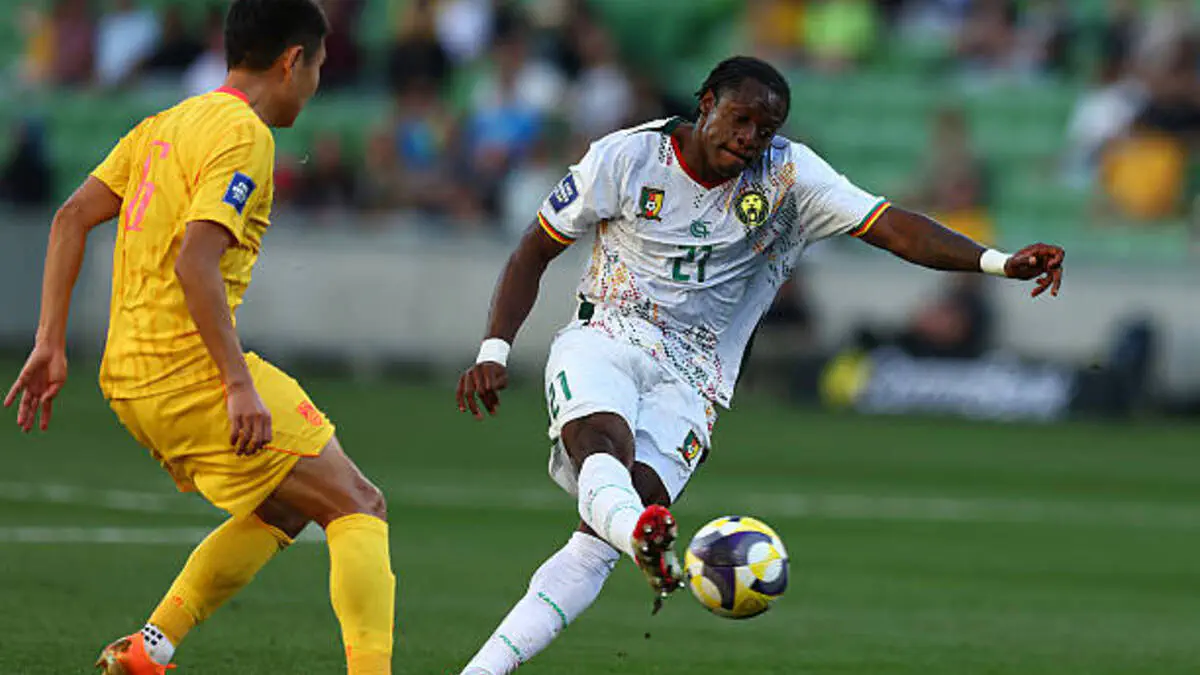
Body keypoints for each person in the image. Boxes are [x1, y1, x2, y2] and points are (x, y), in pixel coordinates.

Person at [454, 55, 1064, 675]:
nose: (749, 140)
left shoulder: (789, 178)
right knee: (601, 444)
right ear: (707, 103)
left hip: (696, 376)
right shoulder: (625, 158)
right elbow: (533, 250)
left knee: (599, 542)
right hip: (607, 333)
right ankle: (637, 536)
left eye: (765, 130)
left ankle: (511, 645)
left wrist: (997, 262)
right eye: (740, 119)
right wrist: (493, 349)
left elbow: (893, 228)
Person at [3, 2, 396, 673]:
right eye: (319, 67)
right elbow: (195, 259)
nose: (318, 85)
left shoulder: (168, 123)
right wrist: (238, 382)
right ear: (291, 61)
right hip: (192, 372)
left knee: (286, 504)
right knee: (360, 503)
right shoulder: (244, 135)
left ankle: (147, 651)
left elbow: (71, 217)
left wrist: (51, 341)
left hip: (127, 378)